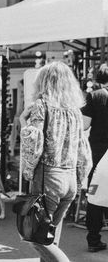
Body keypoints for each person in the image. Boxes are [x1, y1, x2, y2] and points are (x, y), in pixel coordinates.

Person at [19, 61, 92, 261]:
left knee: (36, 237)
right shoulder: (75, 111)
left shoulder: (41, 106)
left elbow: (33, 143)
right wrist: (79, 178)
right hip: (69, 179)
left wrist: (23, 123)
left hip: (48, 177)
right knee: (50, 235)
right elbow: (84, 150)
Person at [81, 64, 108, 252]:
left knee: (95, 195)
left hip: (98, 153)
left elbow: (84, 125)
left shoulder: (96, 96)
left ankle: (93, 239)